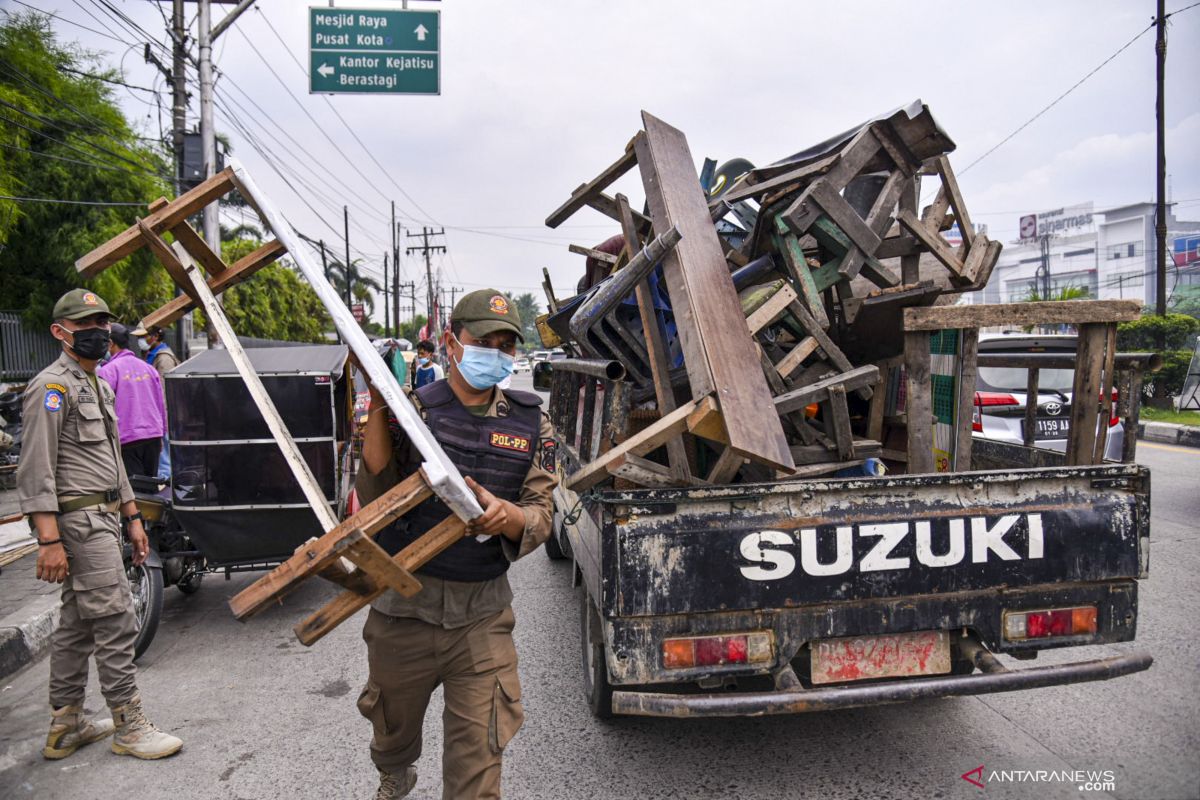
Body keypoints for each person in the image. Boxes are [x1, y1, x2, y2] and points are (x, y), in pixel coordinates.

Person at [356, 290, 558, 800]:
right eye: (482, 341)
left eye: (506, 344)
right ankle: (395, 770)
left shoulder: (532, 421)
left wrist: (507, 516)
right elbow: (374, 493)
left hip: (482, 618)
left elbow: (542, 513)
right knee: (391, 732)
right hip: (404, 607)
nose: (496, 351)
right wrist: (381, 404)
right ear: (451, 343)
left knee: (478, 766)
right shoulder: (414, 411)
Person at [17, 289, 183, 762]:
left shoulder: (98, 385)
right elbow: (35, 470)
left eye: (101, 323)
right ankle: (129, 724)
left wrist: (133, 517)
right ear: (60, 332)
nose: (97, 331)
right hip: (78, 523)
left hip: (107, 516)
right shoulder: (52, 389)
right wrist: (48, 539)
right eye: (85, 324)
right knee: (114, 618)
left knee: (76, 624)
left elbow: (114, 461)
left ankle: (65, 723)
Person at [97, 323, 166, 478]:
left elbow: (102, 408)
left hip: (127, 438)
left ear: (110, 344)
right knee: (151, 487)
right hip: (153, 435)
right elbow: (160, 403)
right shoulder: (148, 368)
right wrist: (162, 433)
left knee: (135, 492)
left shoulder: (108, 371)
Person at [131, 324, 177, 479]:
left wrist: (160, 417)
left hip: (161, 412)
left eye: (143, 337)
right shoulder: (151, 354)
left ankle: (166, 478)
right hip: (155, 412)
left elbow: (163, 391)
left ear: (155, 337)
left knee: (163, 450)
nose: (140, 340)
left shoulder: (164, 358)